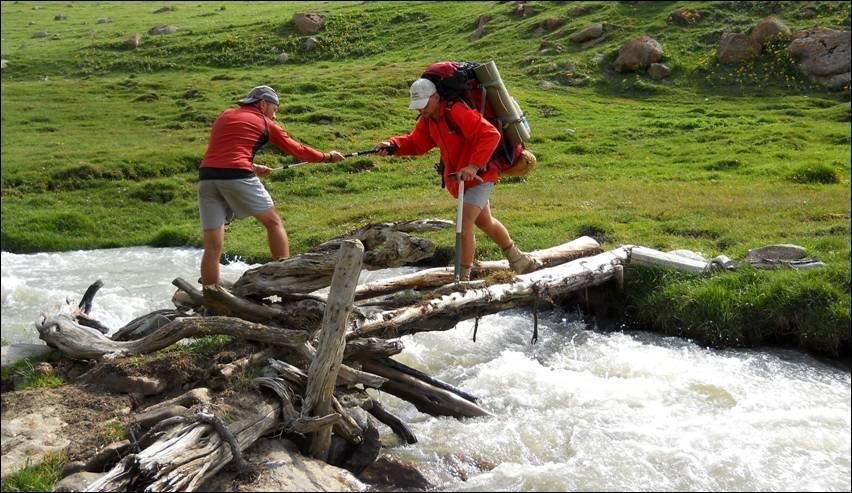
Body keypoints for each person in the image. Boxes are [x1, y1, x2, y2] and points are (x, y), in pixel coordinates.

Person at [374, 78, 541, 281]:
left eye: (424, 104)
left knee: (464, 223)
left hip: (481, 174)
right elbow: (416, 143)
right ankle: (519, 259)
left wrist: (473, 165)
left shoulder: (457, 111)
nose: (421, 110)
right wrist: (392, 145)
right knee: (485, 222)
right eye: (418, 107)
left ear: (435, 97)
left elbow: (491, 134)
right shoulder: (429, 120)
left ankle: (462, 279)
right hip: (461, 179)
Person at [197, 85, 344, 287]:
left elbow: (225, 151)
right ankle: (286, 282)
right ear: (263, 104)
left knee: (212, 246)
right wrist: (327, 157)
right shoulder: (265, 122)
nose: (274, 116)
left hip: (206, 177)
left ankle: (209, 295)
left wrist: (254, 166)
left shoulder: (225, 115)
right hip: (237, 174)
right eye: (274, 109)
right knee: (273, 223)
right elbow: (298, 150)